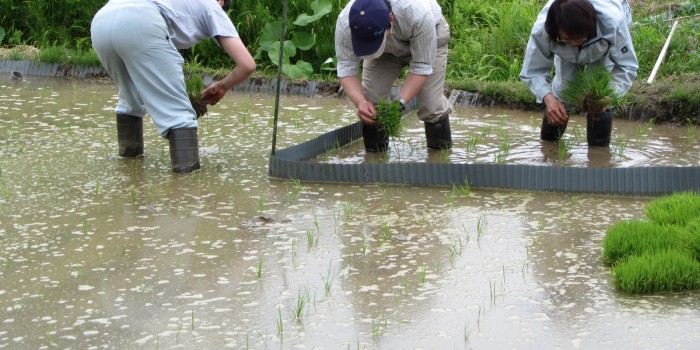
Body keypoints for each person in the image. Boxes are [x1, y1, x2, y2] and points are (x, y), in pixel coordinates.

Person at [91, 0, 256, 173]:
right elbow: (247, 64)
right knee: (178, 114)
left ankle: (128, 167)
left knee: (131, 99)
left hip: (103, 20)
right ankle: (187, 186)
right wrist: (222, 86)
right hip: (142, 20)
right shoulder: (212, 6)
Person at [334, 0, 452, 152]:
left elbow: (421, 66)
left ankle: (440, 157)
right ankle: (375, 161)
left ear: (390, 20)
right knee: (373, 103)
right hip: (385, 53)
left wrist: (400, 103)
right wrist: (361, 103)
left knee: (431, 106)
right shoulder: (346, 21)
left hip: (429, 36)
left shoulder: (418, 13)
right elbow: (346, 68)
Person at [520, 0, 638, 147]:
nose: (575, 44)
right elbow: (533, 70)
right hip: (564, 44)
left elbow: (626, 66)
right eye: (568, 39)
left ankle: (598, 159)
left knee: (598, 96)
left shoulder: (613, 23)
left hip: (600, 45)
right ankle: (548, 148)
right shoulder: (542, 30)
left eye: (579, 39)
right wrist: (549, 99)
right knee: (563, 91)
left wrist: (610, 96)